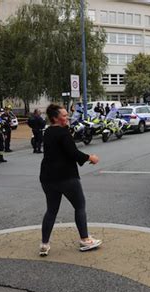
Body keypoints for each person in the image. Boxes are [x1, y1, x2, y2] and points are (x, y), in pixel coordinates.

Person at [39, 104, 102, 256]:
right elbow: (73, 153)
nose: (67, 118)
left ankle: (44, 243)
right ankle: (85, 240)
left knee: (51, 210)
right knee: (80, 206)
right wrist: (90, 158)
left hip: (48, 177)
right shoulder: (63, 133)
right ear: (55, 118)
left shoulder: (47, 132)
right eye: (64, 116)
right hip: (66, 176)